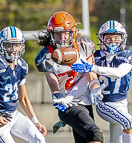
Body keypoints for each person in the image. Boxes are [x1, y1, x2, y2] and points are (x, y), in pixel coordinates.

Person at [35, 11, 103, 143]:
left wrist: (95, 88)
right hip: (67, 105)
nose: (61, 38)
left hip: (85, 102)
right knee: (95, 134)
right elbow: (53, 85)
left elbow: (91, 75)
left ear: (73, 32)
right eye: (57, 34)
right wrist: (58, 97)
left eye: (65, 33)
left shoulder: (84, 46)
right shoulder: (47, 55)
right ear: (51, 34)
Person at [71, 20, 132, 143]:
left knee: (116, 141)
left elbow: (119, 72)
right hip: (104, 103)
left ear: (122, 39)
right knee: (130, 122)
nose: (112, 41)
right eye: (108, 38)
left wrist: (92, 67)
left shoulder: (127, 55)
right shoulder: (95, 57)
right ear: (102, 39)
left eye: (116, 38)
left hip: (122, 104)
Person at [0, 26, 47, 143]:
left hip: (13, 115)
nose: (13, 49)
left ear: (21, 46)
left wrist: (35, 121)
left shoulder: (22, 65)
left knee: (39, 139)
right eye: (9, 45)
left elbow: (23, 98)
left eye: (16, 45)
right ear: (2, 45)